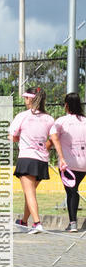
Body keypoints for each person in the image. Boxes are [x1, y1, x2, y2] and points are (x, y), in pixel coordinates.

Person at [9, 86, 54, 234]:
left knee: (29, 193)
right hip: (42, 160)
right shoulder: (49, 118)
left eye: (25, 98)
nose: (24, 100)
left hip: (27, 158)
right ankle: (23, 222)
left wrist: (20, 137)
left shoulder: (22, 116)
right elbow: (53, 138)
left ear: (30, 99)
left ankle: (37, 223)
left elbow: (11, 136)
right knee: (30, 193)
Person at [49, 92, 86, 232]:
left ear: (66, 105)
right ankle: (73, 222)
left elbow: (52, 137)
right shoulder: (85, 121)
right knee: (74, 190)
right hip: (84, 164)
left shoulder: (61, 121)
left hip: (68, 164)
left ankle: (73, 223)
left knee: (71, 192)